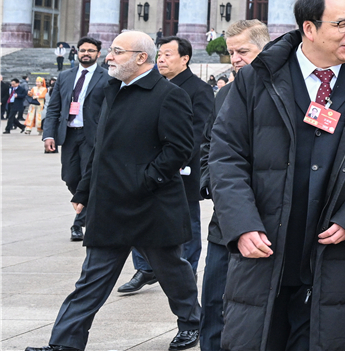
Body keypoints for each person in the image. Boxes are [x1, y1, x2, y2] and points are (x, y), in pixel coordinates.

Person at [210, 0, 345, 351]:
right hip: (264, 247)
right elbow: (226, 155)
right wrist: (241, 223)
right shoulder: (258, 78)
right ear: (309, 28)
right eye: (342, 24)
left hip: (335, 254)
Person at [25, 31, 201, 351]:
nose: (109, 57)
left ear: (140, 58)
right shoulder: (111, 90)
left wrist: (144, 180)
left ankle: (191, 323)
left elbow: (179, 149)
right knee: (91, 280)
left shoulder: (168, 95)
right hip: (110, 205)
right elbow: (100, 149)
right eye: (112, 50)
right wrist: (83, 192)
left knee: (172, 271)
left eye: (118, 51)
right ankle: (64, 343)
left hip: (152, 205)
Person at [119, 36, 214, 293]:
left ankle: (189, 268)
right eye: (159, 54)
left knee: (188, 221)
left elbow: (198, 133)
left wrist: (171, 159)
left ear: (185, 59)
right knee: (140, 216)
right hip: (149, 167)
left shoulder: (199, 89)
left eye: (168, 55)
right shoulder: (152, 85)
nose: (161, 59)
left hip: (181, 168)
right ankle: (145, 267)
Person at [199, 19, 269, 351]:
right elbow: (207, 147)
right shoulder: (223, 94)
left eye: (243, 51)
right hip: (225, 220)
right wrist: (210, 184)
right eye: (231, 53)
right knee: (214, 301)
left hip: (269, 219)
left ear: (264, 49)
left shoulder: (288, 92)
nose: (235, 59)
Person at [43, 37, 109, 242]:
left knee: (88, 178)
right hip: (70, 134)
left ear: (99, 53)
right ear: (77, 52)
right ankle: (89, 212)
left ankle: (78, 223)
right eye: (82, 50)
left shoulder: (107, 78)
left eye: (91, 50)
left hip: (94, 136)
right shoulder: (65, 76)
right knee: (70, 177)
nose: (86, 53)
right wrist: (49, 134)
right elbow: (53, 107)